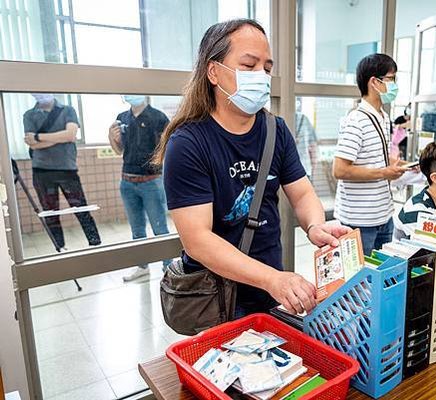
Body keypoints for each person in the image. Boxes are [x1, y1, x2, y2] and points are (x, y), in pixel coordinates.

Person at [154, 19, 350, 317]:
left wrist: (315, 225)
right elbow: (197, 240)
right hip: (216, 295)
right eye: (249, 65)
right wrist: (272, 279)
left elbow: (301, 193)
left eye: (267, 68)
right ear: (213, 71)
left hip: (271, 290)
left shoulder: (275, 130)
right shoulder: (188, 143)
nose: (261, 76)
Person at [332, 53, 409, 257]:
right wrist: (385, 172)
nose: (394, 85)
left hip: (384, 215)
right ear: (374, 82)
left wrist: (395, 165)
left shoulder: (383, 117)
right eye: (391, 79)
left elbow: (373, 159)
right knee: (357, 283)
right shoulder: (356, 120)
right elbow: (340, 170)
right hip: (359, 221)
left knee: (379, 280)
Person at [23, 94, 101, 250]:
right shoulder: (29, 115)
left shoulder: (68, 110)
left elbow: (71, 135)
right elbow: (32, 144)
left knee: (81, 209)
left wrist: (39, 137)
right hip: (41, 171)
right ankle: (59, 248)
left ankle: (95, 245)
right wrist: (60, 137)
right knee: (50, 213)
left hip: (67, 169)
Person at [108, 95, 171, 282]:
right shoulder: (122, 118)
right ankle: (142, 266)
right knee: (137, 229)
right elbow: (118, 151)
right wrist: (113, 138)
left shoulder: (159, 117)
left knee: (160, 228)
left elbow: (168, 148)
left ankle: (169, 269)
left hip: (151, 181)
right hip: (127, 182)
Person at [294, 109, 318, 181]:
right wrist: (313, 170)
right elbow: (313, 148)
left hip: (288, 170)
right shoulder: (304, 119)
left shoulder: (279, 118)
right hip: (304, 169)